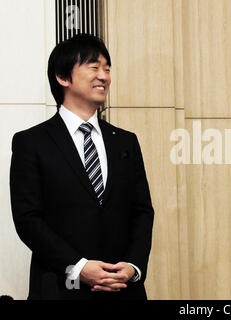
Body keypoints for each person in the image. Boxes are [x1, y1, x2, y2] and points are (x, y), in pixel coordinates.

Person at [10, 34, 154, 300]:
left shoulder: (126, 142)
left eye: (107, 69)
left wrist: (133, 267)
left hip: (123, 289)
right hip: (59, 288)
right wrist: (78, 267)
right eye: (94, 67)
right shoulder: (31, 142)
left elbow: (143, 211)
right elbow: (28, 219)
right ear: (63, 77)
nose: (104, 76)